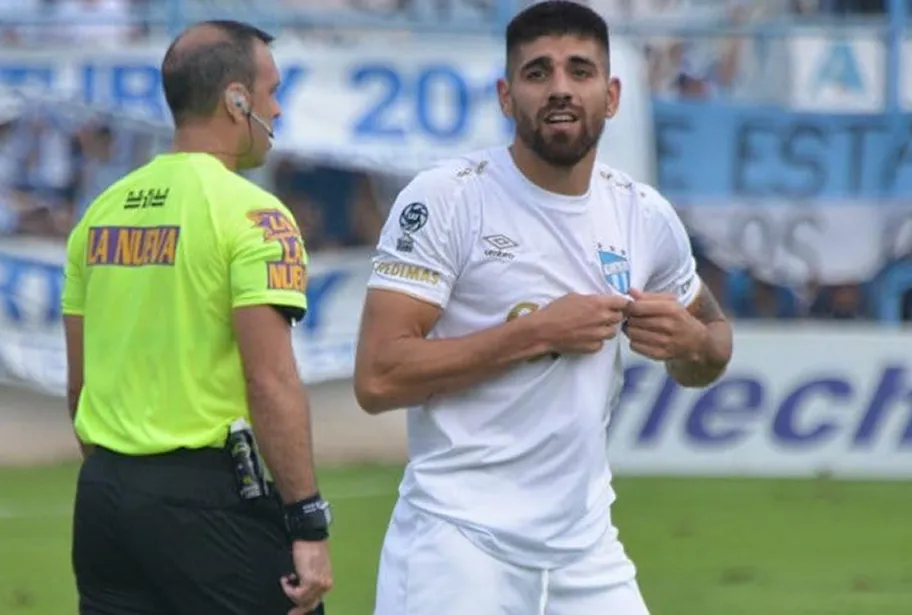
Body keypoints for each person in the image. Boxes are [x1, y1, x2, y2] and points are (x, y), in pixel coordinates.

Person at [353, 2, 733, 614]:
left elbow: (714, 342)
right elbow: (377, 377)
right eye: (538, 73)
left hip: (586, 550)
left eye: (580, 71)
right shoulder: (449, 198)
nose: (560, 88)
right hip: (458, 542)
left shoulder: (642, 214)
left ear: (611, 95)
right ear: (506, 96)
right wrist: (535, 333)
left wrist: (688, 343)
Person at [61, 20, 333, 615]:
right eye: (273, 92)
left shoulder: (100, 213)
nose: (279, 110)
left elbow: (79, 387)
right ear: (237, 100)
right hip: (204, 497)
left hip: (104, 497)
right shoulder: (254, 214)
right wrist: (307, 521)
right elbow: (271, 381)